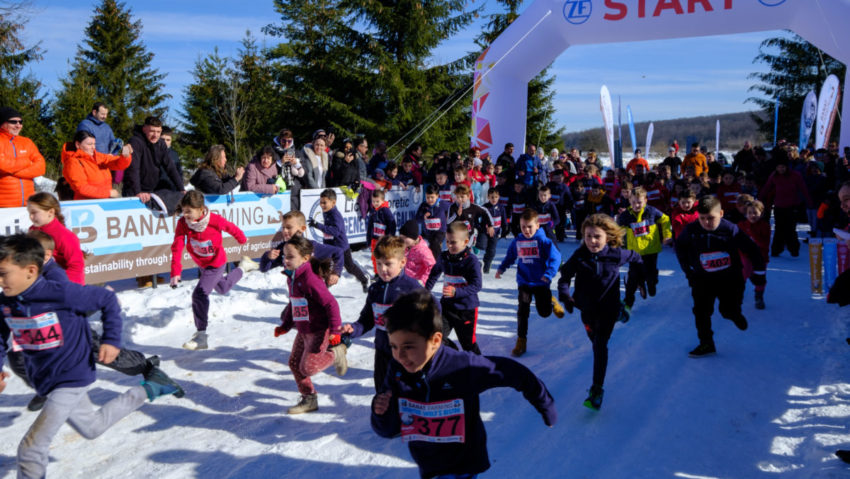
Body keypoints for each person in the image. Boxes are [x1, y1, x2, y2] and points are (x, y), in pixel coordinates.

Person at [0, 234, 181, 479]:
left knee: (31, 449)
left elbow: (106, 299)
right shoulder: (5, 302)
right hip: (46, 379)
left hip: (71, 375)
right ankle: (151, 388)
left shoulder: (60, 293)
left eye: (3, 273)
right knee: (92, 427)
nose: (0, 281)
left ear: (31, 270)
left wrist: (111, 340)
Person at [370, 290, 556, 479]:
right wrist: (381, 413)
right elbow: (390, 429)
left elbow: (513, 372)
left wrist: (545, 403)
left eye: (408, 347)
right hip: (428, 465)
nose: (400, 355)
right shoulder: (398, 368)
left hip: (463, 465)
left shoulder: (462, 366)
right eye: (394, 346)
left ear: (435, 340)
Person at [8, 230, 183, 412]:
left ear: (45, 255)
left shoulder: (55, 275)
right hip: (40, 331)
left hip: (70, 329)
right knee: (18, 357)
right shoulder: (29, 271)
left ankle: (145, 366)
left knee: (102, 354)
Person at [558, 214, 645, 410]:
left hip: (608, 309)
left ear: (608, 237)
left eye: (597, 236)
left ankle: (597, 389)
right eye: (588, 236)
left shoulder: (615, 254)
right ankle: (623, 311)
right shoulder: (580, 256)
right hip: (587, 310)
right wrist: (565, 295)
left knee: (600, 345)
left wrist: (639, 278)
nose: (592, 241)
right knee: (594, 340)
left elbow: (637, 258)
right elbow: (564, 278)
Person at [674, 196, 766, 357]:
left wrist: (759, 273)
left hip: (730, 279)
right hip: (703, 279)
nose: (706, 222)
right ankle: (706, 343)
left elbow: (752, 249)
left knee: (727, 311)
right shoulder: (692, 230)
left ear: (721, 213)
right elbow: (680, 246)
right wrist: (688, 269)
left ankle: (735, 314)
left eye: (711, 218)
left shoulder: (730, 229)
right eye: (702, 218)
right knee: (701, 311)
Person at [273, 236, 347, 414]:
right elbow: (295, 303)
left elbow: (331, 304)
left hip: (319, 330)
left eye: (290, 257)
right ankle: (309, 399)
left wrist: (336, 331)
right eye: (285, 256)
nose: (286, 260)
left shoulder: (309, 279)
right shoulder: (292, 276)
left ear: (305, 258)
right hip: (303, 329)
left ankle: (336, 354)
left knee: (308, 368)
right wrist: (286, 324)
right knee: (294, 363)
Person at [341, 236, 425, 391]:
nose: (382, 269)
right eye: (378, 263)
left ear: (402, 263)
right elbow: (366, 319)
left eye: (388, 264)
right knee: (382, 390)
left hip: (405, 352)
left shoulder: (411, 287)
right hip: (382, 351)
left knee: (406, 392)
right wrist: (353, 329)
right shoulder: (375, 289)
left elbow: (434, 311)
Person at [170, 191, 248, 350]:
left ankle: (201, 335)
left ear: (200, 209)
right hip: (202, 264)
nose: (185, 215)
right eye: (184, 211)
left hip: (216, 263)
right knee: (223, 288)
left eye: (189, 211)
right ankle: (243, 268)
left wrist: (241, 238)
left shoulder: (214, 220)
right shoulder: (183, 224)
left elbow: (230, 227)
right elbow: (177, 247)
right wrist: (175, 272)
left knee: (199, 294)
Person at [495, 209, 564, 357]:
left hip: (541, 282)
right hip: (524, 281)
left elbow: (556, 258)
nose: (526, 230)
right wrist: (501, 268)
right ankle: (521, 340)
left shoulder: (544, 241)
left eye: (529, 226)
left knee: (544, 312)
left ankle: (551, 301)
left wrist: (549, 273)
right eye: (523, 226)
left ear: (537, 225)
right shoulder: (518, 241)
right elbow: (510, 256)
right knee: (523, 310)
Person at [425, 221, 484, 354]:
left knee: (468, 344)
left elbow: (477, 285)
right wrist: (425, 291)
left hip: (466, 309)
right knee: (436, 337)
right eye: (447, 241)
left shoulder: (471, 260)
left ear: (465, 241)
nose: (449, 245)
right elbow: (434, 273)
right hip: (446, 306)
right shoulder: (444, 256)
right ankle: (454, 355)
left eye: (453, 242)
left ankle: (479, 368)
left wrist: (456, 291)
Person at [616, 187, 672, 306]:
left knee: (650, 274)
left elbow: (665, 219)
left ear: (646, 200)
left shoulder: (651, 211)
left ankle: (650, 283)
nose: (636, 205)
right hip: (634, 252)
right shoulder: (625, 216)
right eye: (633, 202)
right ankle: (628, 301)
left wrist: (667, 235)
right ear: (629, 201)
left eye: (639, 202)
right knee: (633, 277)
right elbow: (618, 232)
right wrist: (617, 245)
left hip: (651, 250)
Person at [258, 211, 344, 286]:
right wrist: (268, 257)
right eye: (283, 227)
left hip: (315, 292)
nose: (284, 231)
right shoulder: (282, 248)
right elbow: (264, 269)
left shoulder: (311, 246)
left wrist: (335, 273)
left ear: (302, 229)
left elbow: (338, 252)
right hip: (295, 294)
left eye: (289, 227)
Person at [309, 189, 370, 291]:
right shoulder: (327, 212)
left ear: (333, 203)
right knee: (326, 266)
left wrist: (318, 225)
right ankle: (323, 289)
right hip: (330, 247)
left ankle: (364, 280)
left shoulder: (335, 215)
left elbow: (336, 231)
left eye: (324, 203)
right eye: (320, 202)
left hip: (341, 248)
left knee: (350, 267)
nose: (322, 205)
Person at [123, 116, 185, 214]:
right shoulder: (135, 142)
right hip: (134, 191)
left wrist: (181, 189)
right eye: (152, 131)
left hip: (151, 190)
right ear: (144, 129)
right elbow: (133, 169)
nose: (155, 135)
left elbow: (170, 167)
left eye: (158, 132)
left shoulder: (161, 144)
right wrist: (138, 191)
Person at [27, 192, 85, 285]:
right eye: (29, 213)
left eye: (34, 212)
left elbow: (76, 266)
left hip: (60, 286)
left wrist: (65, 287)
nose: (31, 217)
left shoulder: (65, 236)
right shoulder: (32, 230)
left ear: (50, 212)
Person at [759, 158, 812, 257]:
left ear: (786, 167)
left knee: (790, 228)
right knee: (779, 228)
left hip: (792, 206)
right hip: (779, 206)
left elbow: (803, 188)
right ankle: (776, 250)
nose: (780, 169)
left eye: (782, 167)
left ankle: (794, 249)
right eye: (778, 167)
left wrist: (809, 201)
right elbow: (767, 187)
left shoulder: (795, 175)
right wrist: (759, 198)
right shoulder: (774, 175)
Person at [61, 130, 132, 200]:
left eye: (94, 144)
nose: (93, 147)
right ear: (78, 145)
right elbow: (81, 188)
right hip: (86, 205)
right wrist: (108, 193)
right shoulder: (72, 162)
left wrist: (125, 156)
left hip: (104, 202)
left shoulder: (98, 157)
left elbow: (118, 164)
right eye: (89, 144)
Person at [0, 107, 45, 208]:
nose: (18, 125)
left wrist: (11, 171)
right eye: (13, 122)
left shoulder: (27, 142)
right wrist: (27, 162)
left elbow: (41, 167)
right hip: (3, 205)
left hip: (27, 204)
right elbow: (2, 165)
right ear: (2, 123)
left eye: (20, 122)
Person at [737, 200, 770, 310]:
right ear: (745, 214)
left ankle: (759, 296)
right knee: (743, 272)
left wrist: (752, 236)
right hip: (745, 255)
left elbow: (765, 243)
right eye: (750, 213)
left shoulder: (765, 226)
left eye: (755, 213)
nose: (752, 215)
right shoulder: (741, 225)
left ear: (761, 213)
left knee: (760, 278)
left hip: (760, 256)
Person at [416, 184, 451, 264]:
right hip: (427, 232)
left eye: (432, 197)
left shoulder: (443, 204)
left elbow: (453, 208)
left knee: (434, 243)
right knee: (421, 245)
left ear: (437, 196)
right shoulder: (423, 206)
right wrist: (423, 217)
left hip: (440, 231)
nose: (430, 200)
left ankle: (435, 263)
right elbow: (417, 219)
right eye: (428, 197)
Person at [366, 189, 397, 273]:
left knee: (384, 256)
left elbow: (392, 224)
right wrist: (369, 239)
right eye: (373, 201)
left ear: (383, 200)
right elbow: (369, 226)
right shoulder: (372, 211)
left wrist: (389, 237)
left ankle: (386, 272)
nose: (375, 204)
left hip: (383, 240)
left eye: (377, 201)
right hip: (374, 239)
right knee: (374, 257)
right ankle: (377, 273)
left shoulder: (385, 210)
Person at [399, 219, 436, 286]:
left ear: (413, 237)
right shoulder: (405, 247)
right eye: (401, 238)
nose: (402, 241)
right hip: (406, 282)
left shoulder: (422, 250)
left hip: (418, 284)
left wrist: (423, 280)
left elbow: (432, 266)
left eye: (405, 238)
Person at [482, 187, 508, 273]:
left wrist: (505, 230)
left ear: (499, 197)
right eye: (492, 197)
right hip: (485, 232)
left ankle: (487, 264)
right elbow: (480, 220)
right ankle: (482, 259)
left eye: (496, 197)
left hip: (495, 233)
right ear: (488, 197)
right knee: (483, 246)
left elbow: (504, 220)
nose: (494, 199)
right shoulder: (485, 207)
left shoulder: (501, 207)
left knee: (492, 250)